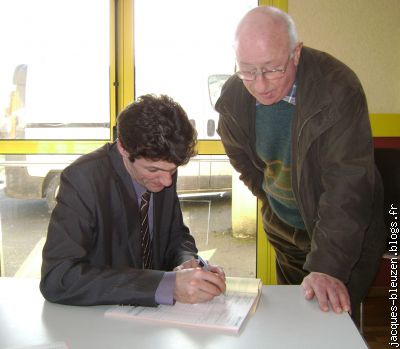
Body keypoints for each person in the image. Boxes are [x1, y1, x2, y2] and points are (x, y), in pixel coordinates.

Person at [216, 6, 386, 318]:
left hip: (341, 236)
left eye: (271, 69)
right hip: (284, 232)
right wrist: (273, 198)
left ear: (296, 53)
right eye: (247, 70)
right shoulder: (234, 97)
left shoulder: (338, 88)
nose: (260, 85)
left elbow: (347, 186)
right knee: (293, 320)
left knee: (334, 322)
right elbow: (243, 160)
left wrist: (327, 266)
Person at [40, 94, 226, 306]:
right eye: (153, 169)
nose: (166, 181)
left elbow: (175, 235)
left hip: (155, 319)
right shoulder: (83, 179)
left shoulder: (162, 167)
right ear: (123, 148)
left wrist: (187, 264)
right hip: (99, 319)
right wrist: (165, 285)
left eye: (173, 170)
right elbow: (58, 278)